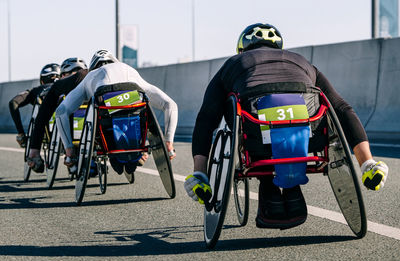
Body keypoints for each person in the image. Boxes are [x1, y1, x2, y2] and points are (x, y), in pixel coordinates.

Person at [184, 23, 389, 229]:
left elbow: (206, 117)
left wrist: (200, 171)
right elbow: (342, 108)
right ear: (280, 47)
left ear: (242, 49)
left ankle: (261, 186)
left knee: (234, 114)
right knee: (330, 108)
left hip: (256, 135)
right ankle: (369, 166)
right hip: (310, 132)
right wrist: (366, 161)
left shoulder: (233, 62)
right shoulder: (300, 60)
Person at [55, 49, 178, 176]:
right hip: (134, 109)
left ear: (92, 67)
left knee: (99, 112)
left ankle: (115, 154)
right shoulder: (129, 69)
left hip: (106, 120)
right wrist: (168, 142)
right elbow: (170, 105)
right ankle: (143, 149)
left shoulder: (90, 77)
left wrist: (69, 150)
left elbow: (61, 112)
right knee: (143, 107)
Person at [27, 57, 88, 172]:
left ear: (65, 75)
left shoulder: (64, 83)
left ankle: (69, 153)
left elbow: (42, 117)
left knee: (62, 109)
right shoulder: (90, 76)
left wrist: (34, 148)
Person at [9, 63, 60, 147]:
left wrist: (21, 133)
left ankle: (34, 156)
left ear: (42, 81)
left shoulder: (37, 90)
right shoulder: (68, 87)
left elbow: (13, 103)